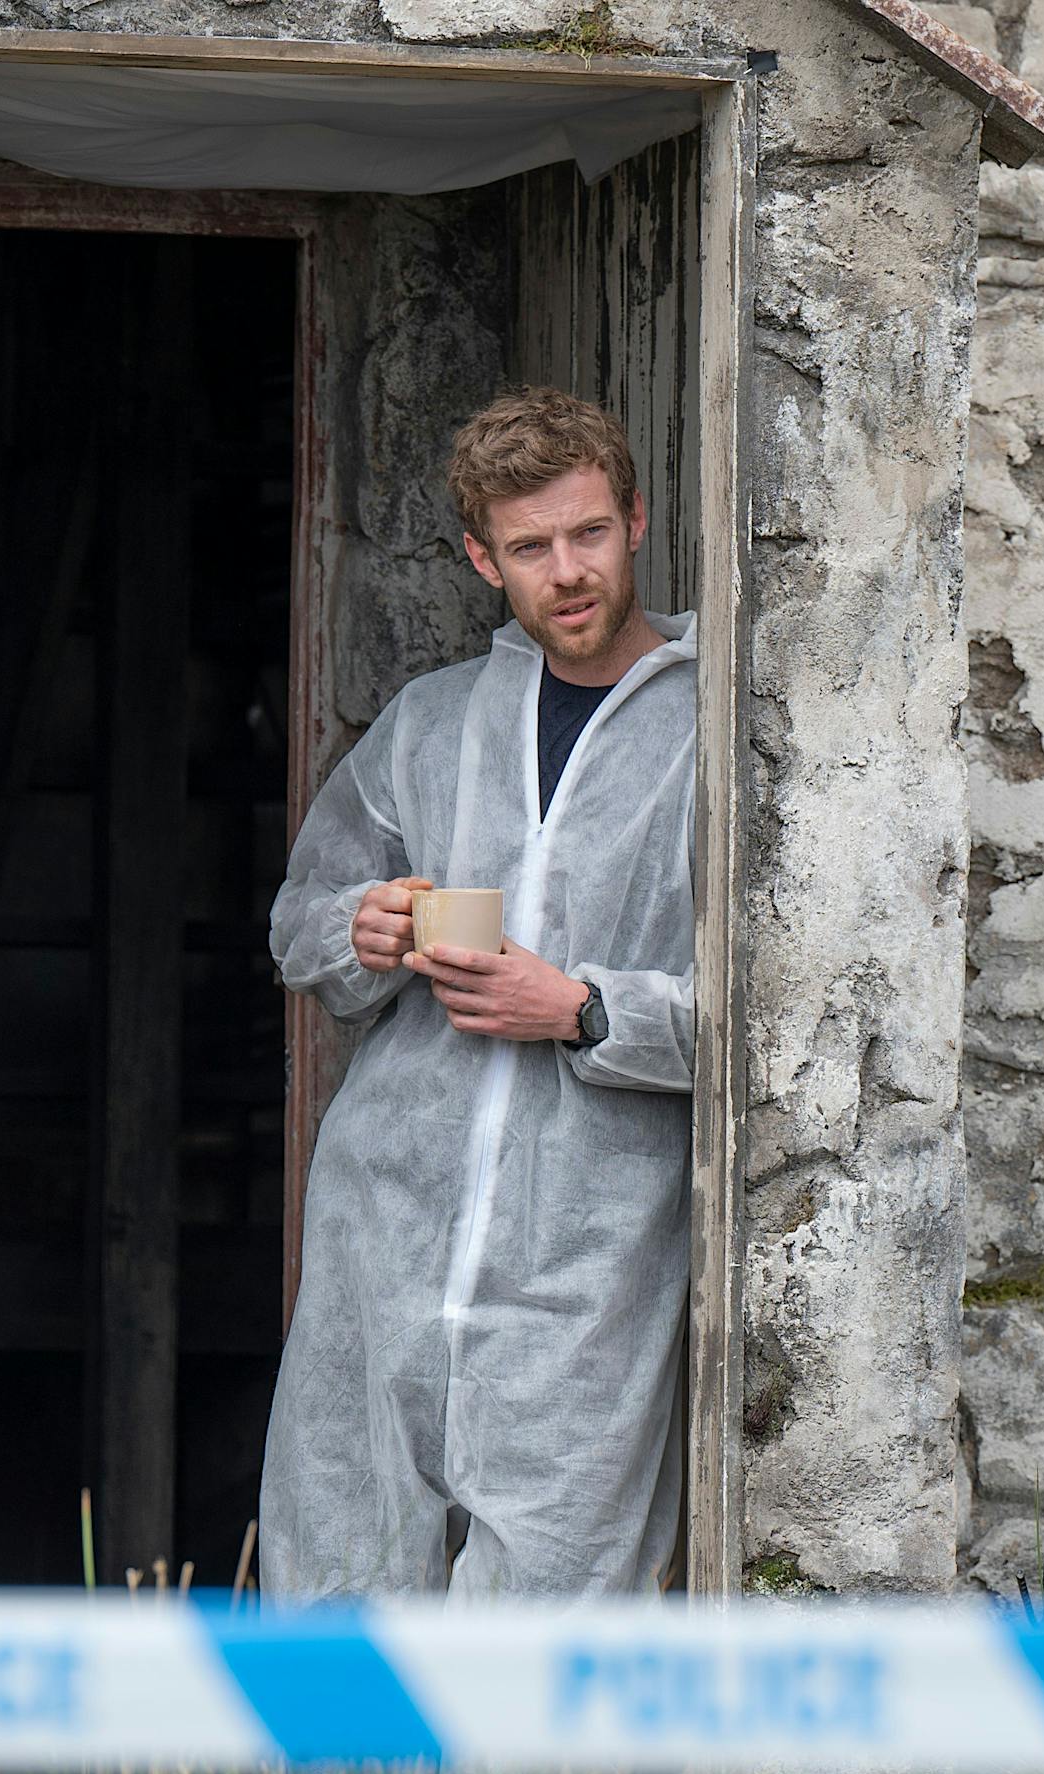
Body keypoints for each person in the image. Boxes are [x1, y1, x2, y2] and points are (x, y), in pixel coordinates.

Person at [259, 386, 695, 1604]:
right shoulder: (431, 724)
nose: (566, 571)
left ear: (635, 520)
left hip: (584, 1272)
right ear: (478, 558)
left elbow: (780, 1021)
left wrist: (585, 1009)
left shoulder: (720, 730)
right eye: (529, 547)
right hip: (382, 1244)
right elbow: (299, 919)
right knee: (338, 1594)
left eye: (588, 533)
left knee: (552, 1637)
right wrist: (363, 924)